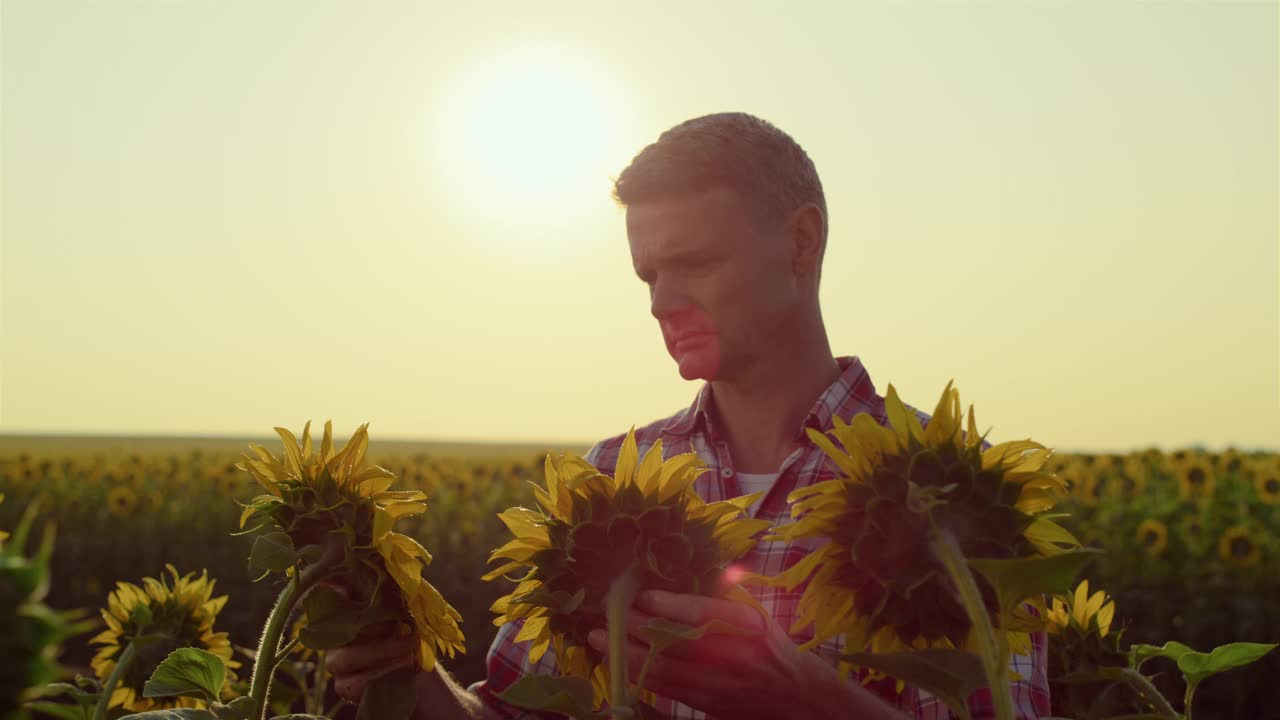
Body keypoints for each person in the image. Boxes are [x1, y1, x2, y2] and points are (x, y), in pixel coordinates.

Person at [326, 112, 1050, 719]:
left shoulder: (960, 493)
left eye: (695, 264)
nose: (661, 301)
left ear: (802, 242)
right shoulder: (609, 482)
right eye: (649, 273)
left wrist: (804, 698)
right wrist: (418, 681)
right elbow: (521, 711)